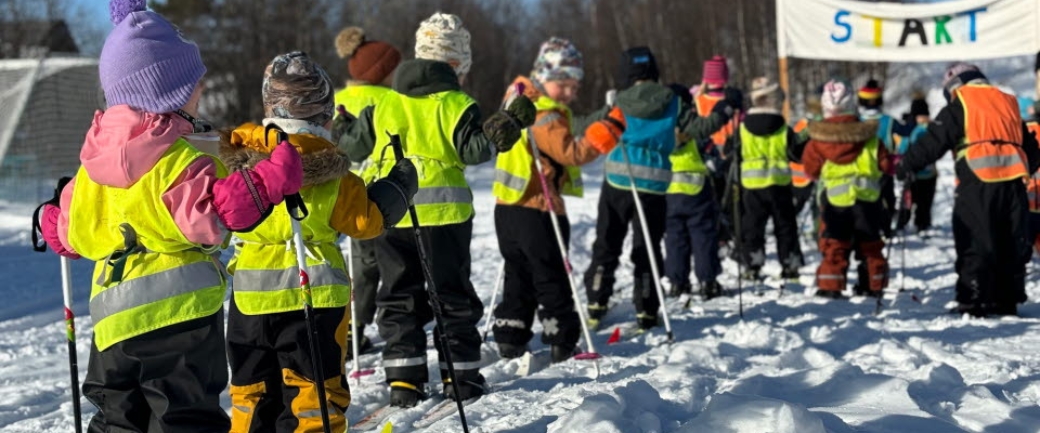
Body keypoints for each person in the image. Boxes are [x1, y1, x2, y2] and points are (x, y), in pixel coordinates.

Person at [37, 0, 304, 430]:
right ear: (169, 95)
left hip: (112, 327)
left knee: (118, 418)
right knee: (184, 418)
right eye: (194, 86)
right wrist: (272, 178)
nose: (200, 94)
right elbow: (216, 216)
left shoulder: (89, 172)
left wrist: (51, 221)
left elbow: (68, 234)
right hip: (177, 325)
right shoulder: (177, 161)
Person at [334, 12, 535, 407]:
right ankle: (460, 377)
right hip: (444, 218)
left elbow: (354, 148)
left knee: (398, 295)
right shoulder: (458, 104)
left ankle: (404, 381)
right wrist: (508, 121)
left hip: (392, 214)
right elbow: (475, 149)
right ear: (456, 65)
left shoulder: (384, 103)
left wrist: (342, 128)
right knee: (451, 296)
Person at [221, 52, 416, 432]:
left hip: (249, 303)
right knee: (314, 395)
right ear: (324, 115)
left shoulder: (239, 164)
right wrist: (398, 188)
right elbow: (366, 220)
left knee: (252, 391)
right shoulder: (331, 172)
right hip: (314, 301)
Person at [584, 46, 738, 330]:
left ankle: (596, 301)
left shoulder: (618, 100)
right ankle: (647, 309)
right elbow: (701, 128)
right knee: (648, 247)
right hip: (653, 185)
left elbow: (590, 126)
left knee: (608, 242)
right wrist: (726, 108)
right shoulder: (673, 101)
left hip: (618, 180)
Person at [491, 37, 619, 363]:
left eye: (574, 86)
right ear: (544, 76)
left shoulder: (517, 102)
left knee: (518, 272)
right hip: (538, 207)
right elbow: (571, 152)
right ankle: (561, 337)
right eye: (564, 84)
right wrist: (609, 131)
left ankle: (511, 334)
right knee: (550, 274)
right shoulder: (543, 114)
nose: (570, 92)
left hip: (508, 208)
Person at [898, 63, 1040, 316]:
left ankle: (973, 299)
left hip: (978, 181)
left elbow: (933, 141)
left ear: (954, 86)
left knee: (975, 239)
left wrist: (907, 165)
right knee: (1009, 242)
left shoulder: (962, 101)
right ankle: (1006, 300)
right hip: (1014, 184)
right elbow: (1031, 149)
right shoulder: (1008, 102)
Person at [333, 25, 403, 357]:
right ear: (383, 72)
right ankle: (372, 327)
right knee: (381, 266)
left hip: (336, 189)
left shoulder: (337, 99)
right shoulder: (390, 99)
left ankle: (347, 329)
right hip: (377, 190)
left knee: (348, 264)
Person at [802, 79, 892, 299]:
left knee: (834, 245)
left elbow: (810, 170)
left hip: (835, 202)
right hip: (868, 201)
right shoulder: (871, 136)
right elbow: (887, 165)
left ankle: (831, 286)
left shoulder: (818, 139)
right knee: (870, 246)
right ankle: (873, 285)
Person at [731, 77, 806, 281]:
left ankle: (752, 264)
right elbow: (796, 154)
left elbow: (731, 152)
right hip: (778, 184)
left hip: (751, 186)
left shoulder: (743, 128)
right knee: (785, 226)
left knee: (753, 227)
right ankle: (790, 263)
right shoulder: (783, 128)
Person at [663, 83, 724, 299]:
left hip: (669, 191)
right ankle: (708, 281)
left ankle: (677, 282)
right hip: (697, 189)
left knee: (675, 238)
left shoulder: (662, 131)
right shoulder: (695, 131)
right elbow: (713, 158)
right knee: (703, 236)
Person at [694, 56, 742, 246]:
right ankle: (731, 231)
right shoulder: (733, 100)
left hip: (707, 152)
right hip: (730, 153)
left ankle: (717, 233)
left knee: (711, 195)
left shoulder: (698, 100)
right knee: (730, 196)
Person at [894, 94, 938, 235]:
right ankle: (921, 225)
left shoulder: (911, 128)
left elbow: (902, 148)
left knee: (909, 202)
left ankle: (905, 224)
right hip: (927, 173)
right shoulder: (933, 127)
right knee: (923, 203)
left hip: (915, 174)